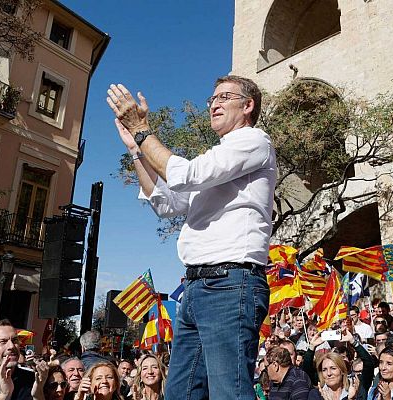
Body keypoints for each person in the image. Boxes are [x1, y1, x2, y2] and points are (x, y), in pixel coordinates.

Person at [107, 76, 275, 399]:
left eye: (224, 97)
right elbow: (166, 201)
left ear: (248, 105)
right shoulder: (219, 158)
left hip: (230, 284)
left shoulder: (254, 141)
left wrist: (144, 132)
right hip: (196, 289)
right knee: (180, 394)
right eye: (212, 99)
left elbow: (184, 174)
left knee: (230, 394)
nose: (214, 104)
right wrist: (136, 149)